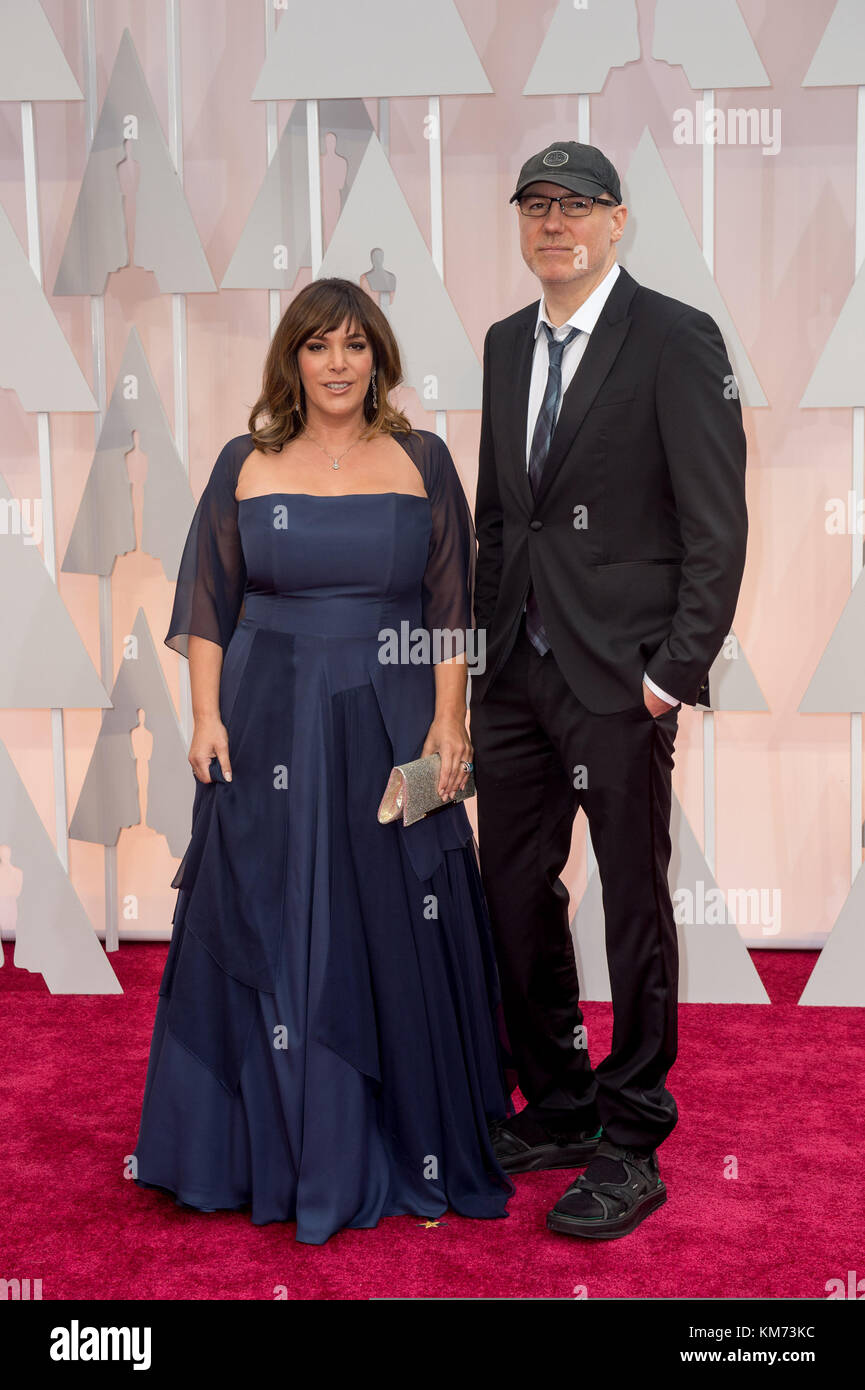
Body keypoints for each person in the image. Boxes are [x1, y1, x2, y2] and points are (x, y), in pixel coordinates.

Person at [133, 277, 514, 1245]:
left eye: (354, 344)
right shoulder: (245, 462)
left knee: (390, 914)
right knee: (270, 913)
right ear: (291, 361)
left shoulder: (422, 459)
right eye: (318, 346)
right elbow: (210, 602)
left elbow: (447, 607)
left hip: (387, 719)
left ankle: (391, 1137)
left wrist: (449, 723)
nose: (337, 363)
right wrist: (204, 716)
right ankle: (264, 1148)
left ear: (377, 356)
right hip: (265, 719)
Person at [470, 142, 747, 1238]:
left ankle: (632, 1138)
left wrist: (667, 675)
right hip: (515, 675)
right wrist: (481, 658)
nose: (553, 223)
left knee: (633, 904)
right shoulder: (501, 345)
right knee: (509, 896)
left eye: (575, 206)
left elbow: (714, 528)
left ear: (617, 222)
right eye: (535, 204)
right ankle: (562, 1103)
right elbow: (503, 517)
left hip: (618, 681)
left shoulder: (676, 339)